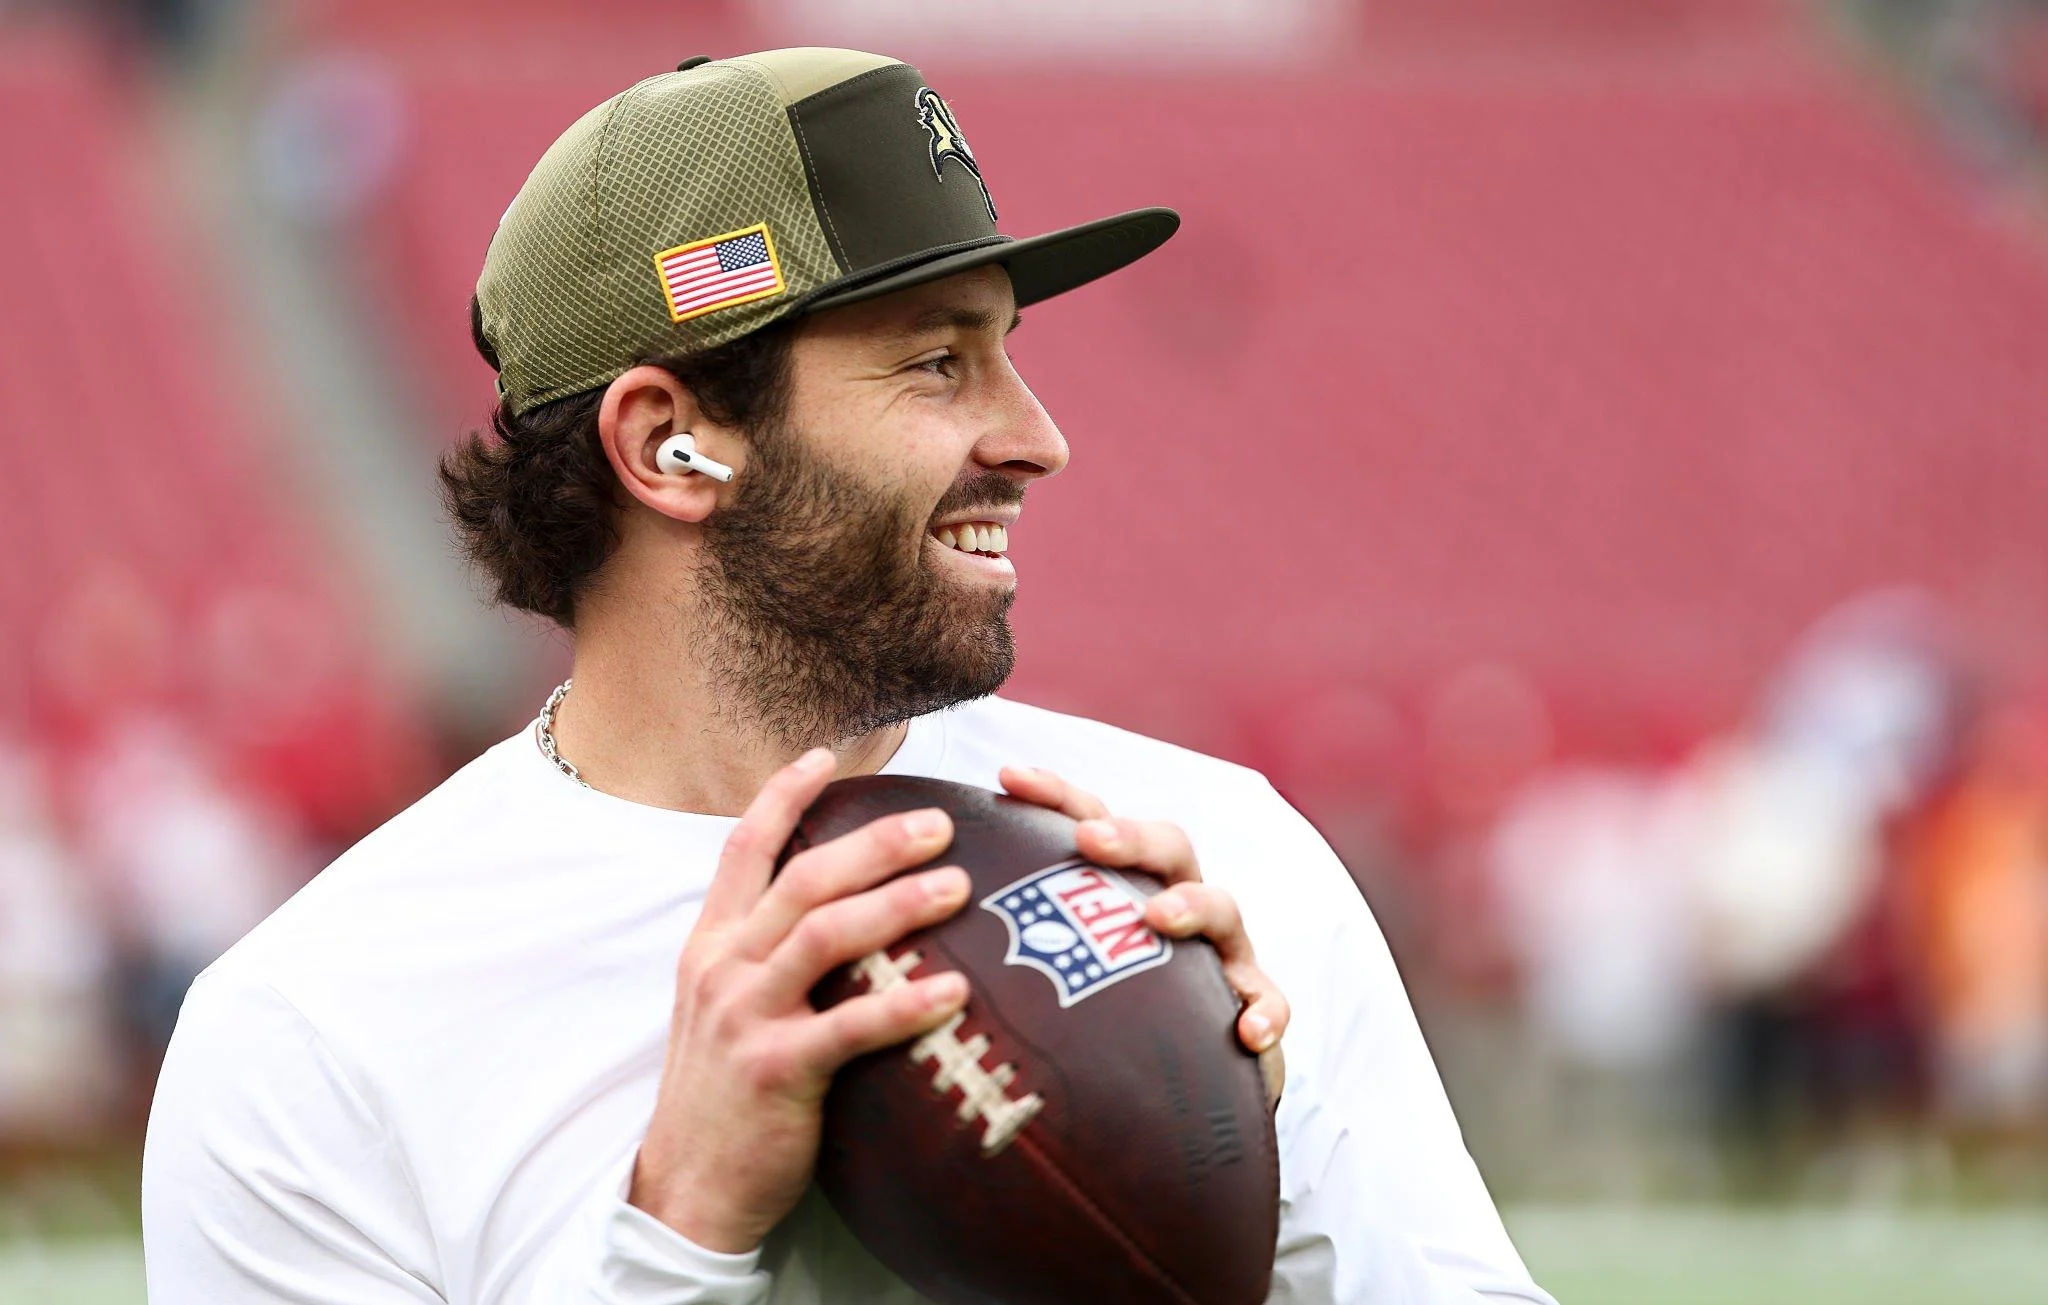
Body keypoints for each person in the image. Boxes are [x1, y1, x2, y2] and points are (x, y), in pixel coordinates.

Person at [141, 48, 1551, 1304]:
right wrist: (678, 1232)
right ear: (669, 443)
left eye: (1009, 352)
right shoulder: (312, 1032)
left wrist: (1252, 1193)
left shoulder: (1212, 862)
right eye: (939, 365)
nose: (1038, 438)